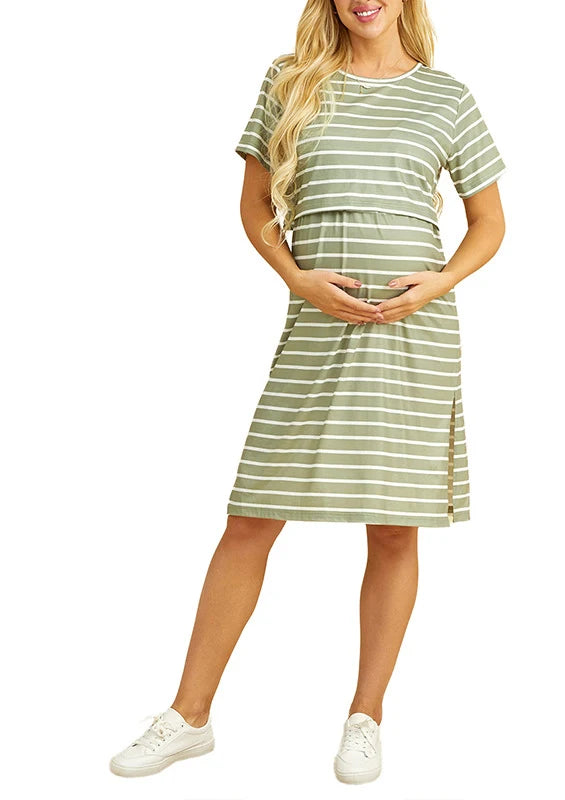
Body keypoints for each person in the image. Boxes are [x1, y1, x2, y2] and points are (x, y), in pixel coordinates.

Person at [109, 0, 506, 785]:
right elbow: (254, 205)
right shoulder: (289, 81)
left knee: (394, 527)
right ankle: (189, 715)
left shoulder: (447, 95)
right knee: (252, 514)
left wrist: (438, 283)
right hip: (316, 326)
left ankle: (367, 716)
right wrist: (297, 278)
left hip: (413, 334)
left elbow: (489, 221)